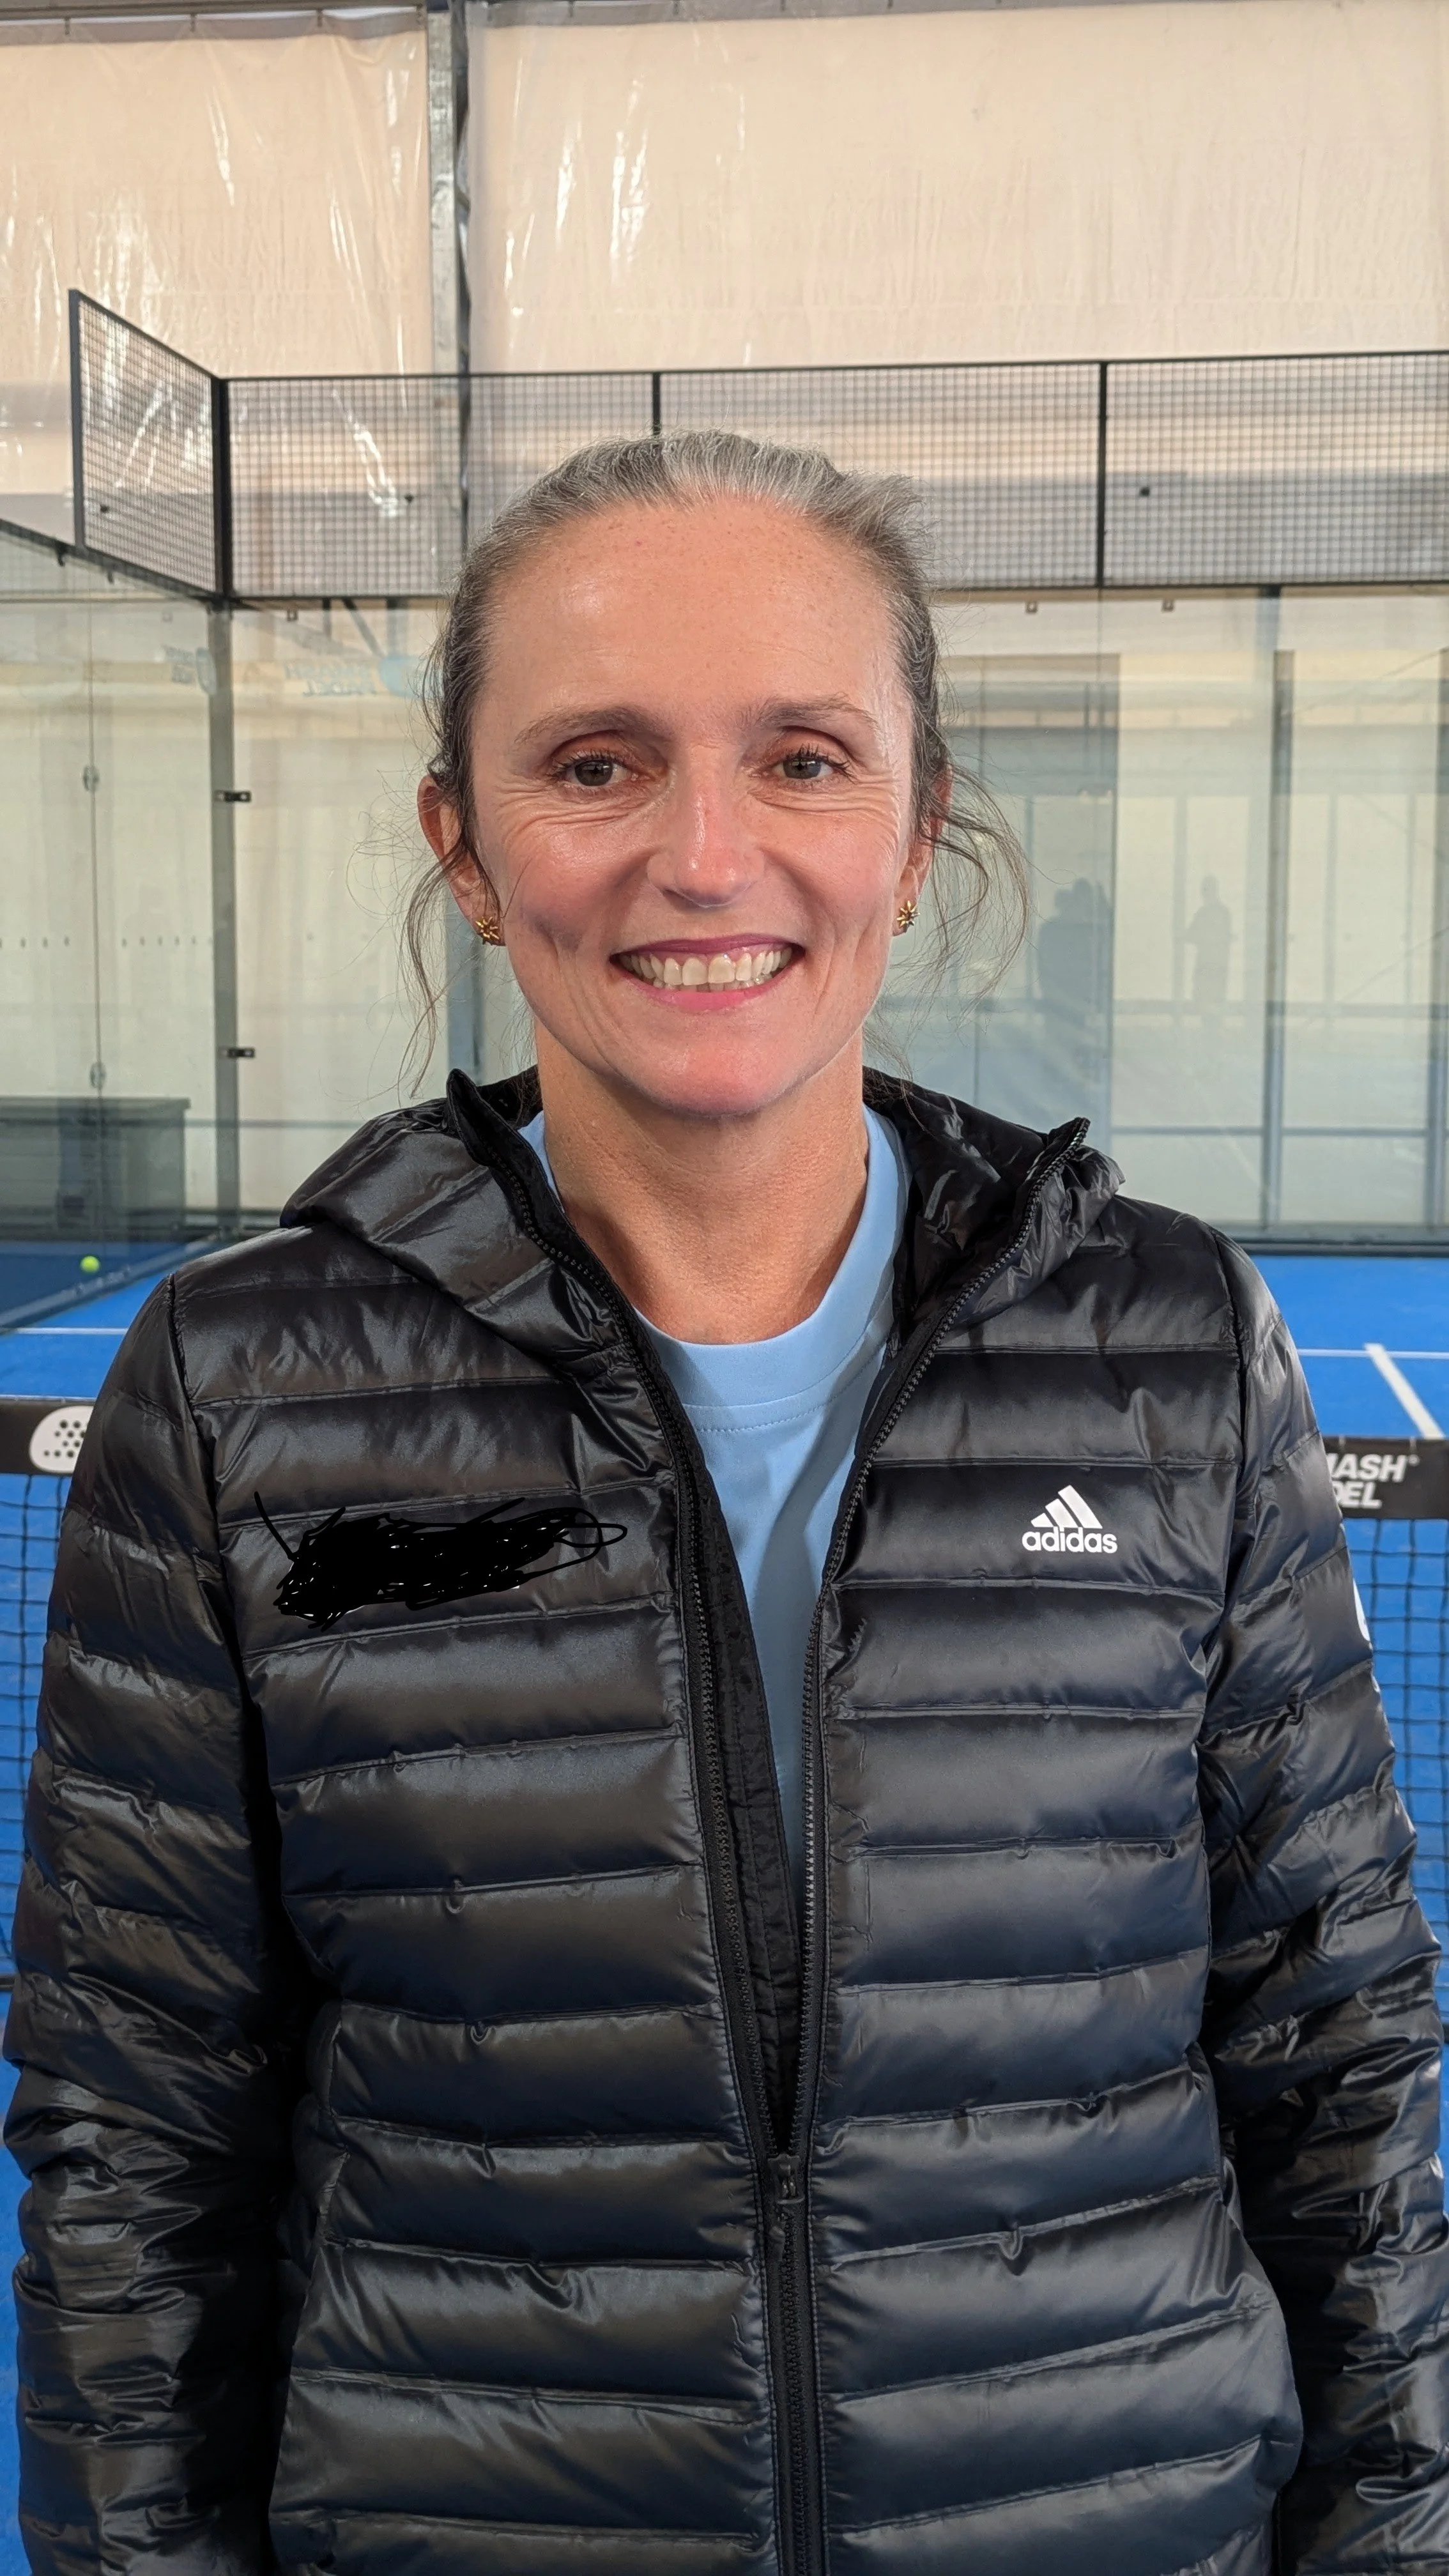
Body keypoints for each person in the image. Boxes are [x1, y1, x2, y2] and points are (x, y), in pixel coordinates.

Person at [7, 433, 1447, 2576]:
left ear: (916, 820)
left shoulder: (1166, 1344)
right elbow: (135, 2135)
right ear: (466, 849)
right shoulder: (236, 1389)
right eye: (594, 765)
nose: (704, 854)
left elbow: (1332, 2052)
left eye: (800, 758)